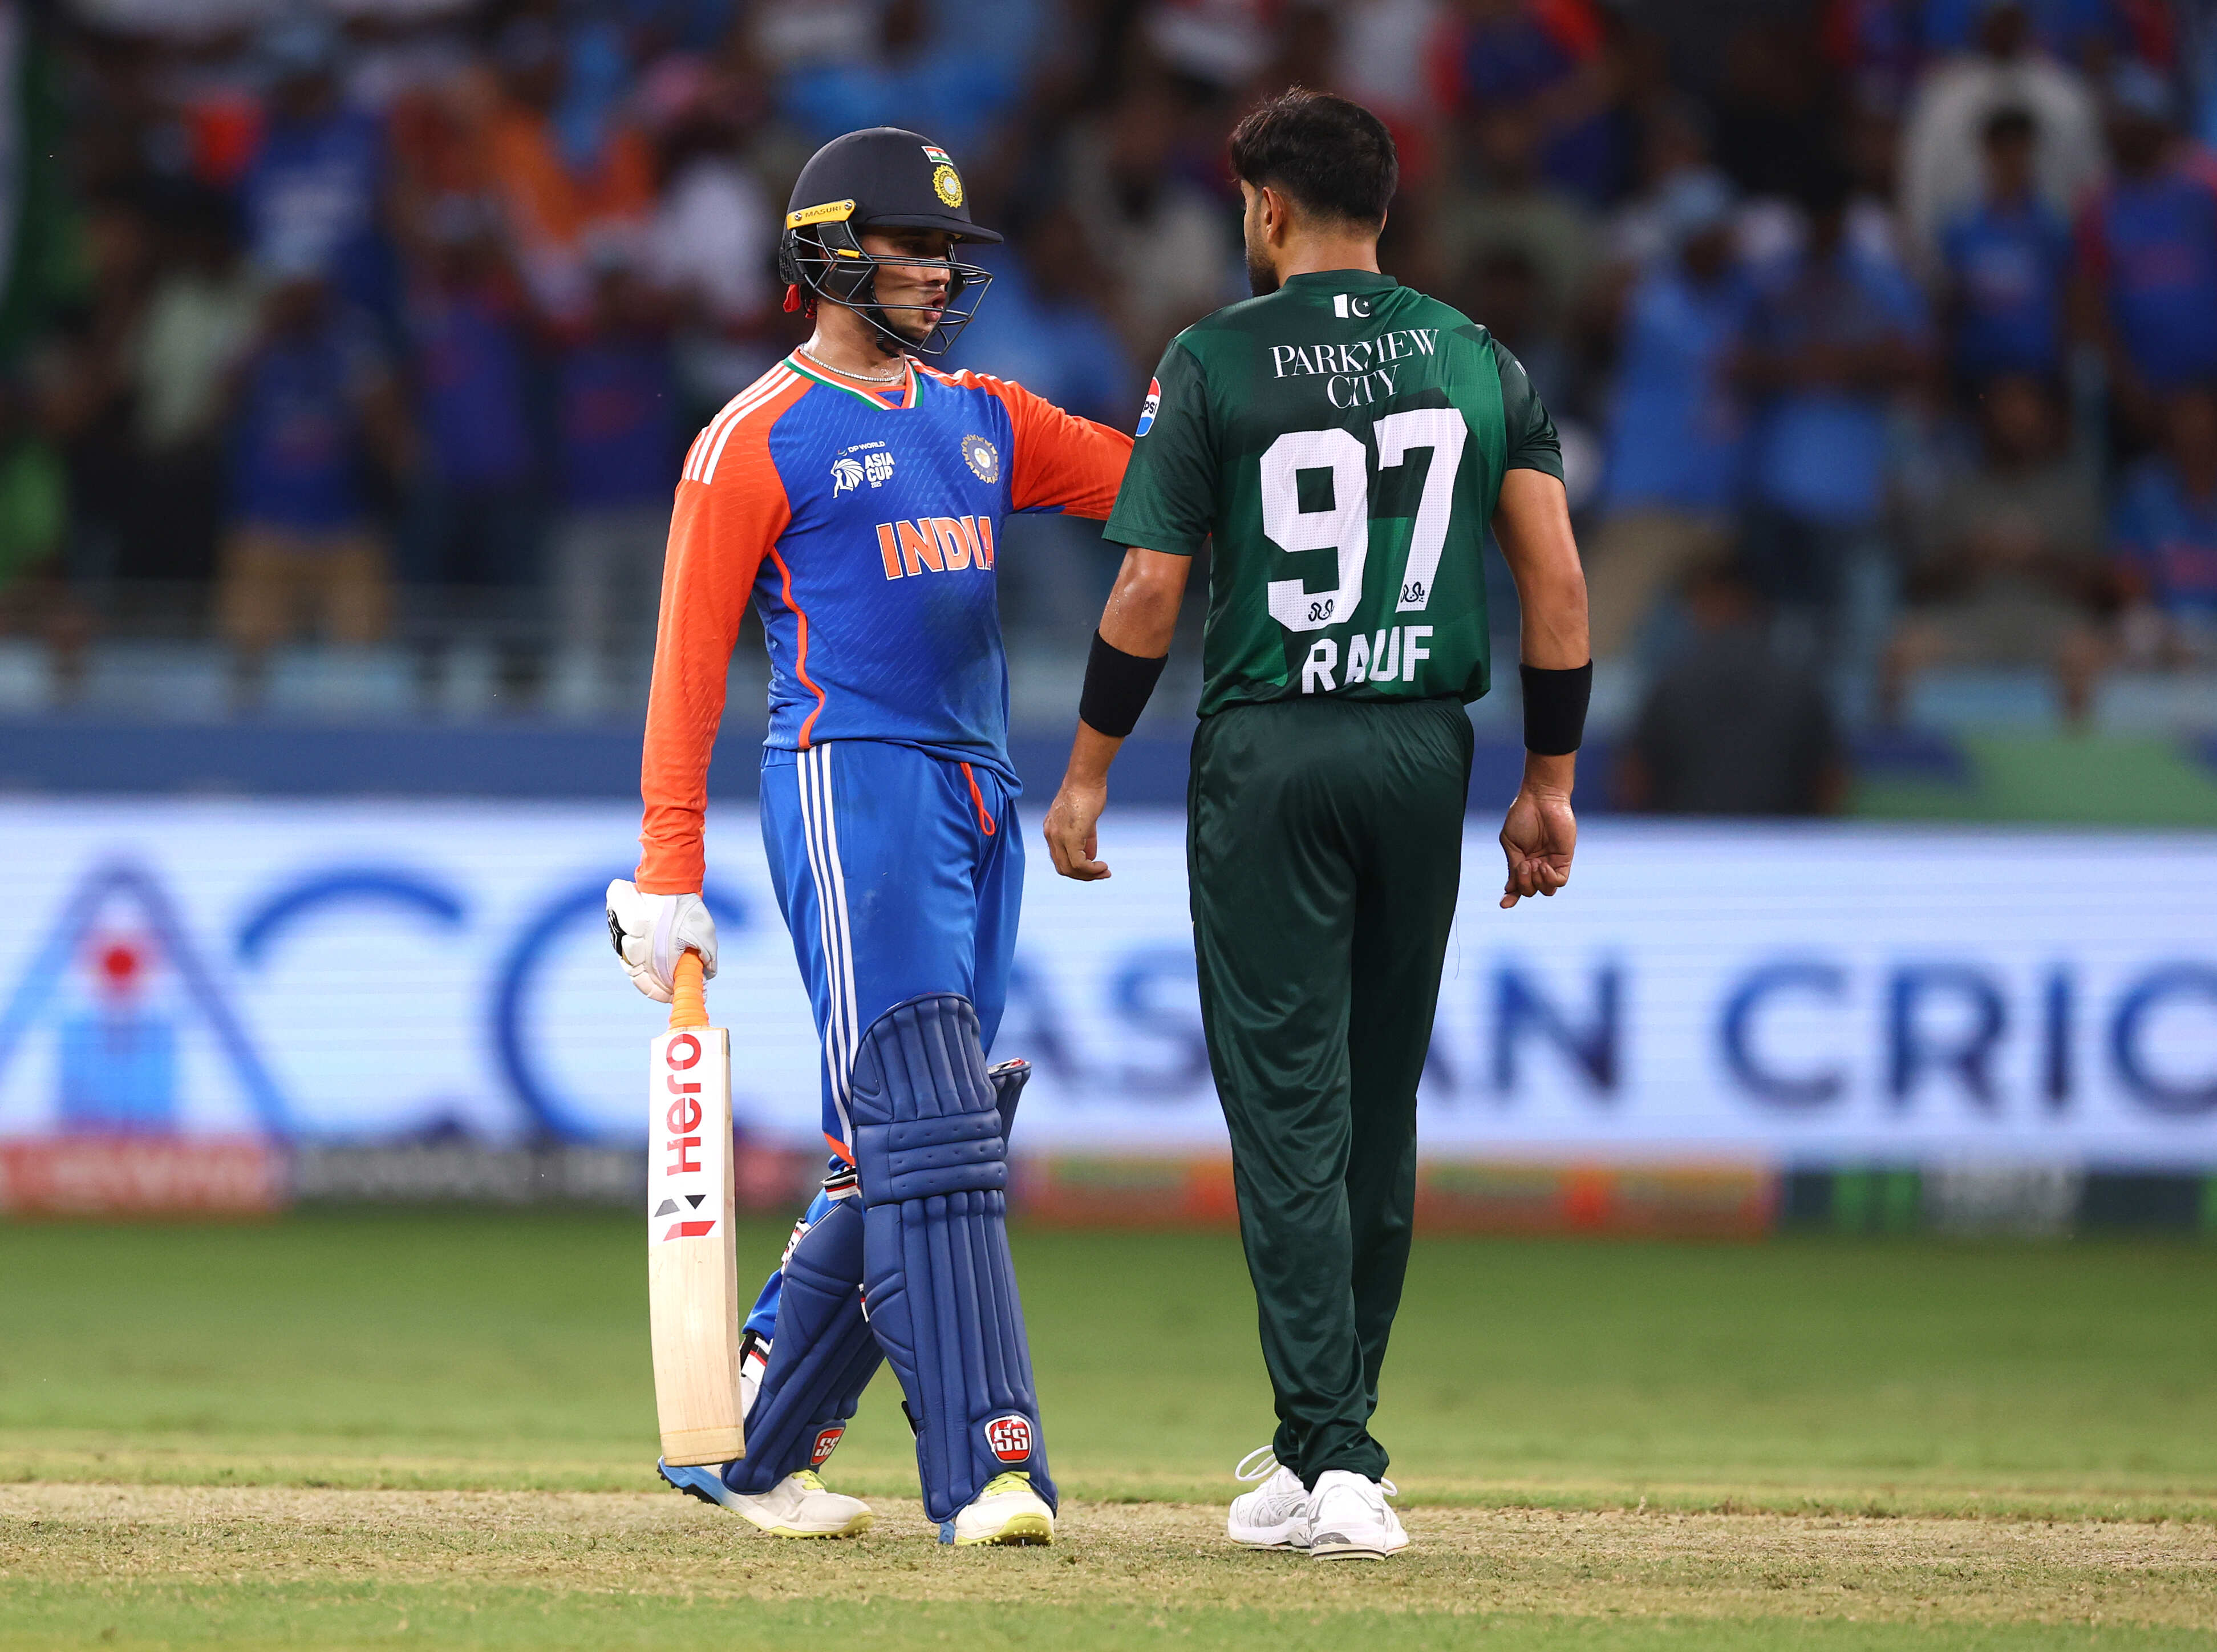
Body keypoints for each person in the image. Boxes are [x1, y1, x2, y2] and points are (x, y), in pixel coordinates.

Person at [1039, 90, 1591, 1561]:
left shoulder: (1213, 358)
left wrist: (1089, 768)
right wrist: (1549, 779)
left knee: (1288, 1105)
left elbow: (1151, 589)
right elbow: (1554, 588)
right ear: (1384, 209)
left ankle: (1339, 1457)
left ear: (1267, 210)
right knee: (1376, 1099)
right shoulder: (1476, 356)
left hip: (1274, 748)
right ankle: (1314, 1445)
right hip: (1426, 746)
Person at [603, 128, 1131, 1548]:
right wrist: (668, 871)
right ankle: (987, 1465)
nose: (946, 272)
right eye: (919, 248)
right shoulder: (754, 437)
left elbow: (1150, 489)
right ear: (835, 252)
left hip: (976, 788)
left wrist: (1225, 419)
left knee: (897, 1132)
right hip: (852, 779)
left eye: (954, 251)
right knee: (927, 1118)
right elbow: (686, 662)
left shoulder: (983, 413)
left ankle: (757, 1437)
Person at [1619, 560, 1846, 815]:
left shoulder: (1673, 683)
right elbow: (1831, 784)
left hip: (1688, 843)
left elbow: (1634, 781)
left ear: (1737, 600)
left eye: (1701, 601)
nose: (1693, 612)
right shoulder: (1799, 683)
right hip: (1779, 845)